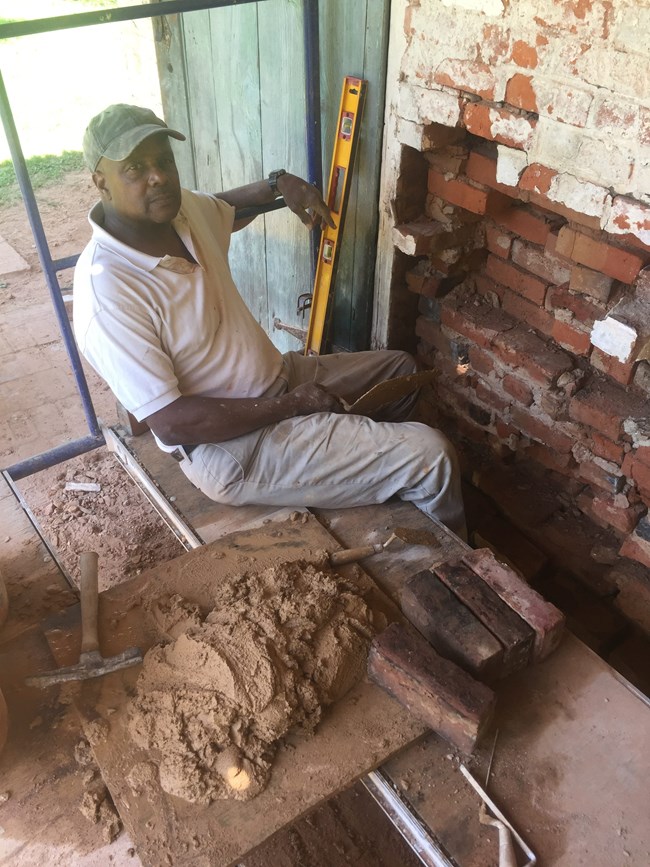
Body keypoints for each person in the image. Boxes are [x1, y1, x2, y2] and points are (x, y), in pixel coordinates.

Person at [73, 104, 466, 537]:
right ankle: (447, 563)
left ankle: (371, 478)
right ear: (100, 184)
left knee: (402, 370)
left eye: (164, 160)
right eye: (134, 168)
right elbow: (171, 422)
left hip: (279, 379)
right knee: (435, 456)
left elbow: (225, 207)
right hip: (234, 447)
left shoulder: (180, 213)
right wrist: (294, 407)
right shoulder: (108, 291)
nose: (158, 177)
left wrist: (279, 184)